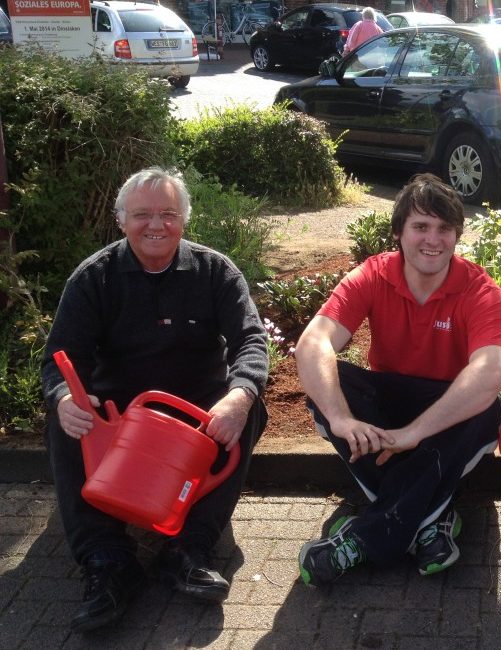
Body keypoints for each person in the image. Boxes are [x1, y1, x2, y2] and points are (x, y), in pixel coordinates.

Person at [40, 167, 269, 631]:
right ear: (122, 220)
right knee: (67, 419)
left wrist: (240, 394)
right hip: (120, 411)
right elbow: (59, 359)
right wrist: (65, 396)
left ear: (184, 219)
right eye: (142, 215)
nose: (156, 225)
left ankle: (189, 547)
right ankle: (107, 560)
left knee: (248, 409)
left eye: (168, 213)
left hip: (197, 409)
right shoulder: (93, 279)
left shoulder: (216, 271)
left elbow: (250, 340)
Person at [293, 173, 501, 585]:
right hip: (391, 402)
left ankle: (362, 539)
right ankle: (433, 518)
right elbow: (313, 344)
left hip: (448, 415)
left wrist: (416, 432)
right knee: (330, 382)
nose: (433, 239)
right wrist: (341, 419)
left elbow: (490, 371)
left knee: (487, 407)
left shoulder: (480, 290)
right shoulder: (374, 274)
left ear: (457, 235)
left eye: (444, 228)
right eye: (421, 227)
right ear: (399, 233)